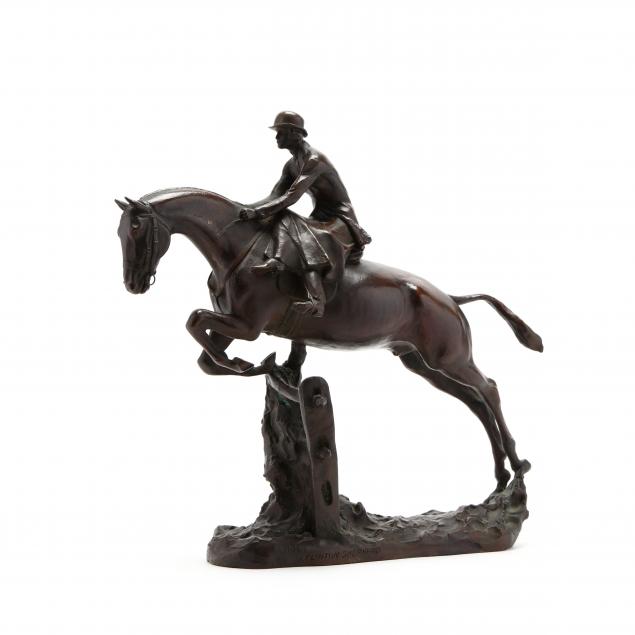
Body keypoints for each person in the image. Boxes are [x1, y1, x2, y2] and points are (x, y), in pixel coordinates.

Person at [240, 111, 371, 317]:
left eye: (281, 132)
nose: (277, 137)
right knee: (284, 218)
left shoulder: (314, 160)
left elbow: (291, 197)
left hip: (341, 220)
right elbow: (275, 195)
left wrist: (257, 213)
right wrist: (243, 208)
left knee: (304, 238)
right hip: (320, 217)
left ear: (296, 133)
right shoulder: (291, 165)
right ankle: (279, 261)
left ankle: (316, 301)